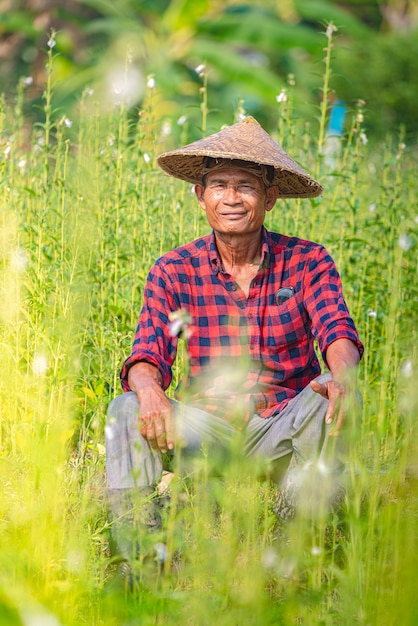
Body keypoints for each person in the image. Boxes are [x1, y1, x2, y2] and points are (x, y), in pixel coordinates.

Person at [105, 116, 363, 578]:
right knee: (125, 407)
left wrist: (342, 373)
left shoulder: (307, 260)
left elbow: (336, 330)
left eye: (244, 186)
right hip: (209, 430)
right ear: (200, 195)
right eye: (219, 185)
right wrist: (148, 390)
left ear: (270, 197)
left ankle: (301, 545)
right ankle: (137, 558)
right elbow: (147, 353)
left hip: (282, 427)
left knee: (332, 386)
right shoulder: (173, 269)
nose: (231, 198)